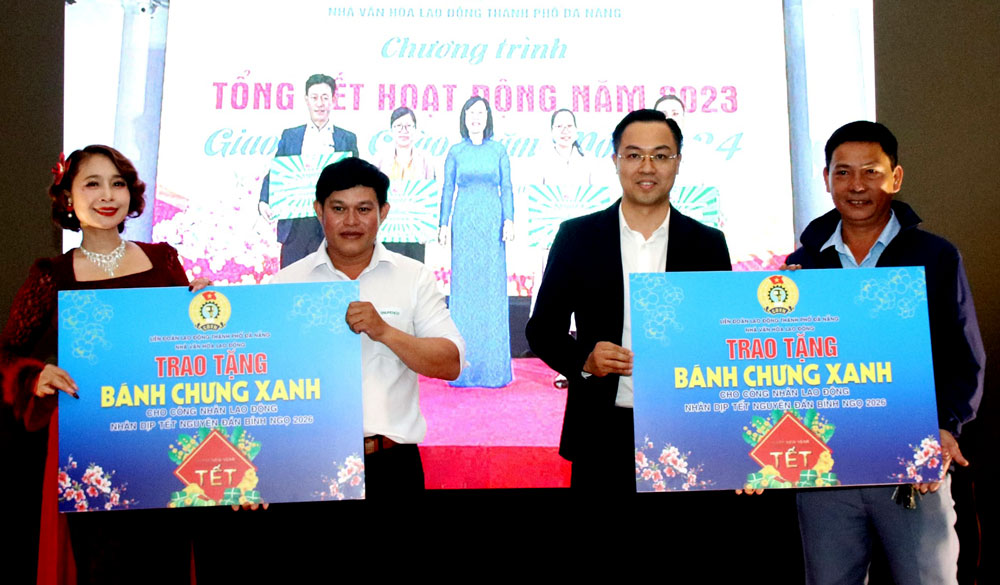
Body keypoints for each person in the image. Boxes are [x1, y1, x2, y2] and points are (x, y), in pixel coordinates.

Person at [786, 121, 984, 585]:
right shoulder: (800, 267)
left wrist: (945, 426)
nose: (856, 186)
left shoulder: (935, 257)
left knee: (928, 578)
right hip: (824, 467)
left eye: (870, 172)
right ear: (827, 178)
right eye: (843, 172)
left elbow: (965, 357)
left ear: (895, 178)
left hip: (912, 462)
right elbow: (786, 370)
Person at [0, 145, 208, 583]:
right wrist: (36, 375)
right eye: (91, 183)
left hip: (163, 443)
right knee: (101, 566)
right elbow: (8, 353)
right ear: (67, 198)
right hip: (90, 448)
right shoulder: (51, 274)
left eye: (116, 183)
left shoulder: (163, 259)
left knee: (164, 562)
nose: (107, 194)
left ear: (131, 194)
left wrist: (203, 310)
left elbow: (186, 349)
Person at [525, 109, 731, 491]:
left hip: (685, 432)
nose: (647, 167)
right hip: (601, 434)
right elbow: (541, 329)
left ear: (678, 163)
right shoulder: (578, 237)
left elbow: (721, 339)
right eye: (634, 155)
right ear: (615, 160)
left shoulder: (707, 243)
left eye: (661, 155)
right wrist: (583, 359)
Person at [271, 157, 464, 495]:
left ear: (383, 212)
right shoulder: (285, 283)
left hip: (391, 468)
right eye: (338, 208)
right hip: (307, 462)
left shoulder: (413, 277)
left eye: (363, 209)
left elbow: (451, 363)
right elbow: (258, 374)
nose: (351, 221)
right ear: (319, 211)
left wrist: (385, 332)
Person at [437, 96, 514, 388]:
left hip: (492, 220)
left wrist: (509, 219)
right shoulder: (456, 151)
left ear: (488, 117)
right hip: (465, 221)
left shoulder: (499, 150)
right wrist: (443, 223)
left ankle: (494, 369)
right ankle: (464, 368)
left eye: (481, 112)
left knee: (491, 288)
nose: (476, 117)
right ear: (464, 117)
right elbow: (447, 189)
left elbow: (506, 186)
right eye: (471, 112)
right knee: (466, 289)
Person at [259, 73, 359, 268]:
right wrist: (264, 200)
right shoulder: (291, 136)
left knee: (331, 284)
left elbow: (356, 179)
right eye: (314, 98)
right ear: (306, 100)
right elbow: (277, 171)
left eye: (325, 97)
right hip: (296, 225)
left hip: (332, 224)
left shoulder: (346, 139)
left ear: (333, 100)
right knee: (292, 284)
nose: (320, 103)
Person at [375, 107, 435, 181]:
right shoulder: (379, 159)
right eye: (398, 126)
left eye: (408, 126)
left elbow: (431, 189)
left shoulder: (426, 160)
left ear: (415, 129)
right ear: (391, 130)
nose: (404, 131)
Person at [538, 108, 592, 186]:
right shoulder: (541, 161)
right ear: (552, 130)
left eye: (569, 126)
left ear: (576, 129)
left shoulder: (589, 160)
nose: (565, 131)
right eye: (559, 126)